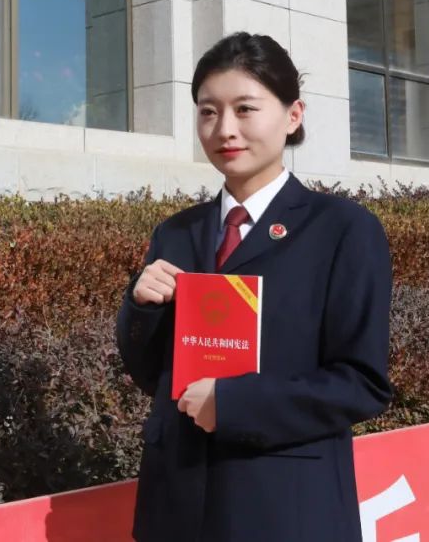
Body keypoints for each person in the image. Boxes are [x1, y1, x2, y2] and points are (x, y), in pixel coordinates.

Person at [116, 32, 393, 542]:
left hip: (283, 507)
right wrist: (142, 307)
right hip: (176, 505)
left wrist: (235, 404)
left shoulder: (342, 230)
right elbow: (151, 373)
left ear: (292, 115)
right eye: (208, 112)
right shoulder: (176, 233)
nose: (225, 129)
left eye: (245, 109)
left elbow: (360, 382)